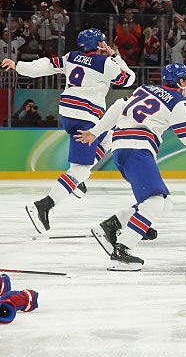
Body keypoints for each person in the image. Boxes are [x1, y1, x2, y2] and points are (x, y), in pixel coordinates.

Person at [76, 64, 186, 270]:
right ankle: (122, 250)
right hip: (138, 149)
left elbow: (118, 106)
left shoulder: (144, 89)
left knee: (164, 204)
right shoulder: (179, 102)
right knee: (153, 203)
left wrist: (96, 131)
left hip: (121, 148)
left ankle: (113, 225)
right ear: (180, 82)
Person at [2, 28, 136, 234]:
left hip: (69, 114)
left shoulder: (72, 57)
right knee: (80, 170)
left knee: (110, 136)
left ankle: (76, 181)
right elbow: (128, 79)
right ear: (100, 44)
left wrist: (18, 65)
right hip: (86, 117)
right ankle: (44, 205)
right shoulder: (106, 63)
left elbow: (45, 65)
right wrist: (115, 55)